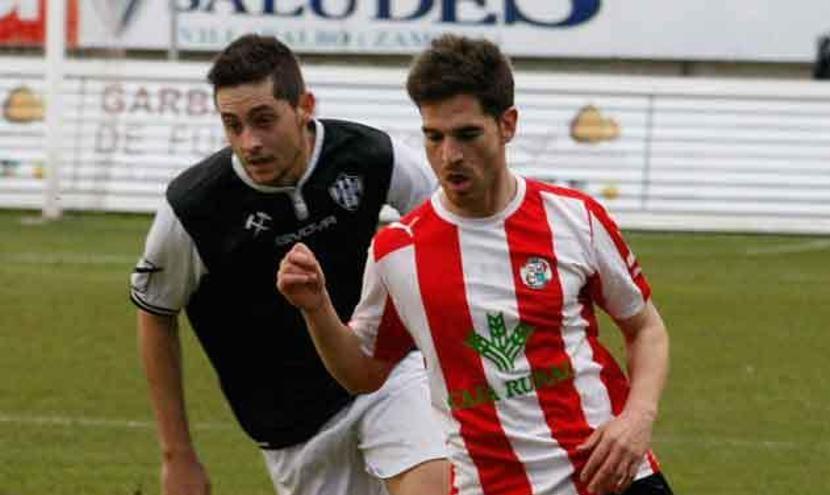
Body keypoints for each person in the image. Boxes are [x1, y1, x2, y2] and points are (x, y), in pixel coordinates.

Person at [277, 34, 674, 495]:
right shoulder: (397, 250)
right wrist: (316, 307)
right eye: (434, 136)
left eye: (467, 134)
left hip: (610, 476)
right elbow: (363, 373)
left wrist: (637, 419)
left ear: (507, 124)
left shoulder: (574, 218)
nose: (449, 156)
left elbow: (645, 328)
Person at [129, 34, 447, 495]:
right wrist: (177, 456)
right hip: (292, 429)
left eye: (263, 121)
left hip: (384, 377)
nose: (249, 142)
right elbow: (156, 314)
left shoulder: (370, 155)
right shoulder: (195, 208)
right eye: (232, 125)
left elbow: (445, 227)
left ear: (304, 106)